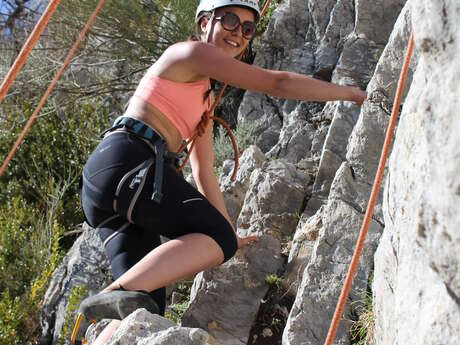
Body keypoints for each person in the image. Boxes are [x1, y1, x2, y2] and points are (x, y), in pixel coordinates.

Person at [73, 0, 366, 343]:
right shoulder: (189, 54)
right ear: (203, 23)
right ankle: (104, 299)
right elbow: (278, 83)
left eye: (247, 29)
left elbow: (204, 169)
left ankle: (93, 335)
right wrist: (348, 93)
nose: (238, 34)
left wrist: (226, 232)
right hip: (129, 161)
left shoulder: (204, 99)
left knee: (143, 308)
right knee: (129, 290)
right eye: (229, 20)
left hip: (112, 180)